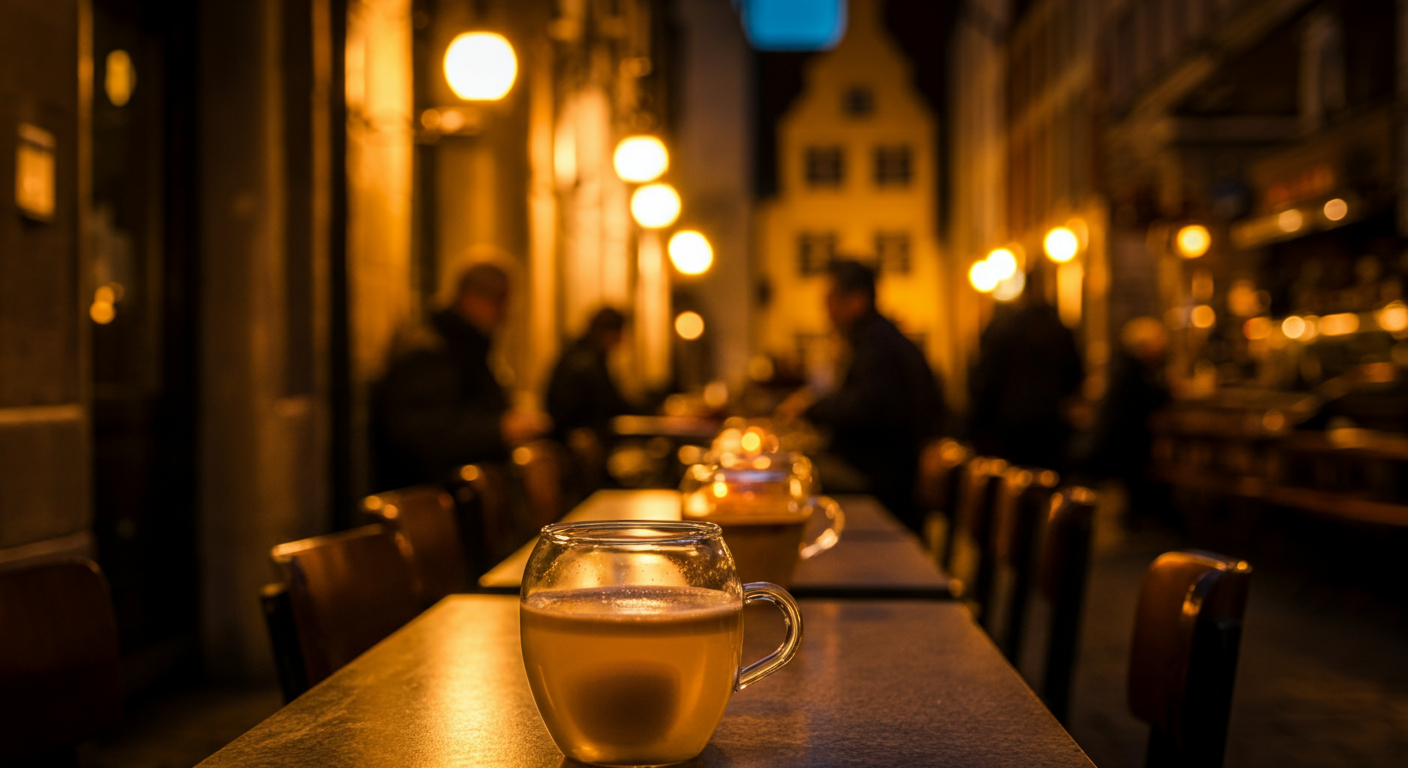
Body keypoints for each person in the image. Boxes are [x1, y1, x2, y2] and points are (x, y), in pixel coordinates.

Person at [776, 259, 946, 533]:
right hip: (890, 479)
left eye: (830, 299)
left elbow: (865, 410)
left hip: (887, 489)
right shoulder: (880, 339)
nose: (826, 309)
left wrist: (810, 407)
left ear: (856, 301)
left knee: (793, 477)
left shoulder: (878, 345)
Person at [372, 262, 549, 490]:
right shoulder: (430, 352)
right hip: (438, 496)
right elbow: (423, 433)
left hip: (462, 492)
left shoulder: (464, 346)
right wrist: (501, 428)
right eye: (500, 301)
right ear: (472, 297)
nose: (504, 315)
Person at [968, 280, 1084, 471]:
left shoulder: (1005, 329)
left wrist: (979, 425)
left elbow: (987, 380)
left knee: (1017, 482)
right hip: (1051, 423)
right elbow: (1075, 375)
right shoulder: (1059, 329)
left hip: (1011, 425)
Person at [545, 307, 633, 446]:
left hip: (566, 436)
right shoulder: (590, 361)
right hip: (578, 440)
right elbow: (609, 403)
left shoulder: (576, 353)